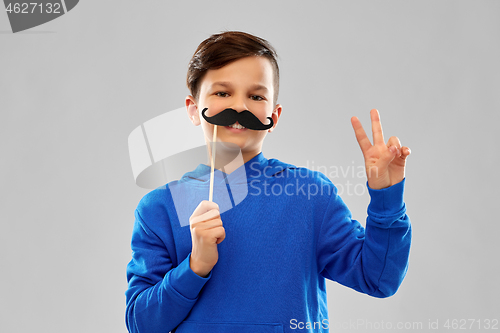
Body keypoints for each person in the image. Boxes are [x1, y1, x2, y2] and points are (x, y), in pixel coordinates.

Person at [125, 31, 412, 333]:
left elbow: (379, 279)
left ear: (274, 116)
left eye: (256, 96)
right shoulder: (160, 209)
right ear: (193, 109)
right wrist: (195, 266)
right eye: (222, 93)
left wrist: (386, 197)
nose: (239, 107)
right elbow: (141, 324)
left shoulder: (309, 195)